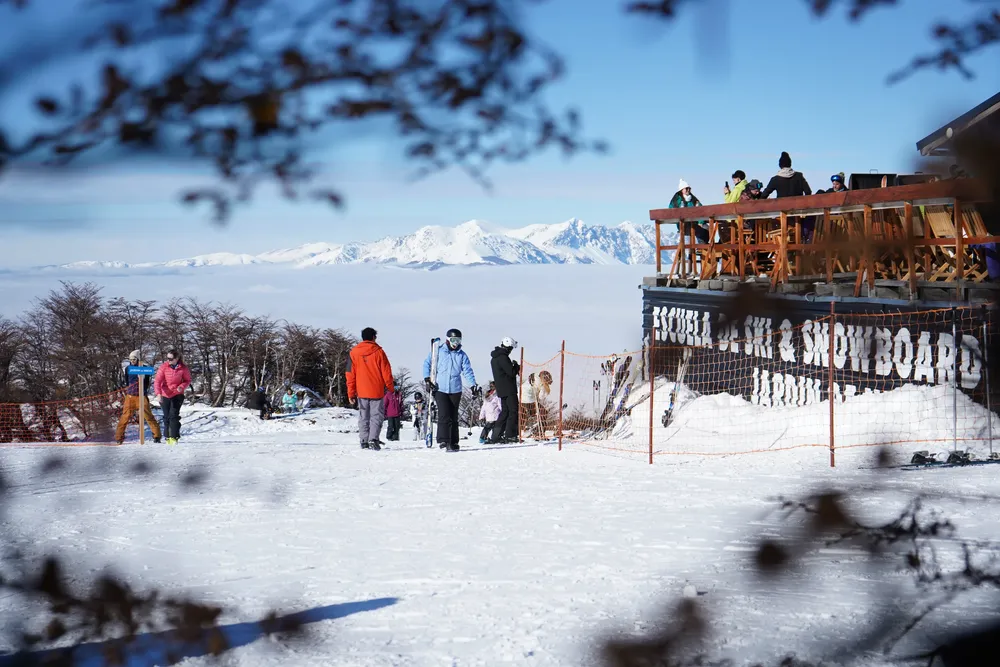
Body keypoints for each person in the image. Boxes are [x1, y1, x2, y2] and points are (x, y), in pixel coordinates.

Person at [423, 328, 477, 452]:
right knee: (444, 414)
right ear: (448, 339)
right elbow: (427, 364)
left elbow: (467, 370)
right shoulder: (438, 351)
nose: (456, 342)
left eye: (458, 340)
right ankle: (443, 440)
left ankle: (453, 442)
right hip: (440, 388)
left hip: (455, 389)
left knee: (453, 416)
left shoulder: (461, 354)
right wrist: (427, 379)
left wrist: (473, 384)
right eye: (453, 339)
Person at [346, 327, 395, 451]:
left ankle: (363, 440)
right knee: (376, 416)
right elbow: (386, 372)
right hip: (376, 390)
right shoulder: (379, 352)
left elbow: (350, 374)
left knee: (363, 417)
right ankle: (373, 439)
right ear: (373, 337)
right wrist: (390, 388)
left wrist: (351, 393)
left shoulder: (353, 353)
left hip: (361, 391)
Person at [115, 350, 162, 444]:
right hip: (131, 396)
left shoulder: (145, 368)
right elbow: (127, 381)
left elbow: (147, 382)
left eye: (134, 359)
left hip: (142, 396)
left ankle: (157, 436)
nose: (132, 361)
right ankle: (119, 437)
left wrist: (142, 382)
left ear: (138, 359)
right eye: (131, 359)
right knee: (125, 417)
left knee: (149, 417)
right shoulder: (128, 368)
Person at [154, 349, 191, 445]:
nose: (168, 360)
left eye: (171, 359)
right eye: (167, 358)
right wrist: (158, 394)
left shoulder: (183, 368)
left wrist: (181, 387)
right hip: (164, 394)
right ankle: (167, 437)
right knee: (166, 417)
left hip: (177, 394)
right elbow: (157, 381)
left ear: (176, 358)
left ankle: (174, 437)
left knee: (173, 416)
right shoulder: (164, 367)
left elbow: (187, 380)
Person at [490, 336, 520, 444]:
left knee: (505, 412)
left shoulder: (494, 358)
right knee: (513, 411)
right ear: (508, 347)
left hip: (501, 389)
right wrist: (516, 366)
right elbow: (511, 372)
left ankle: (496, 435)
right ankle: (510, 435)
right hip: (509, 388)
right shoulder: (503, 357)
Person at [668, 179, 708, 244]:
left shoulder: (693, 199)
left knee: (706, 227)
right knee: (700, 230)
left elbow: (701, 210)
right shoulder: (676, 200)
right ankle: (701, 248)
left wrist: (701, 221)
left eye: (689, 188)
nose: (688, 190)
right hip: (683, 225)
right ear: (682, 190)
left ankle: (703, 247)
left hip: (694, 222)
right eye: (686, 189)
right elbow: (671, 211)